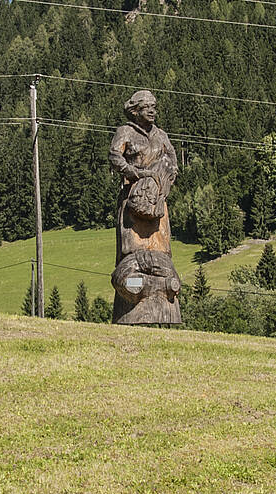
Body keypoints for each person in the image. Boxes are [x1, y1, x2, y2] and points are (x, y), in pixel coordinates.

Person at [109, 90, 182, 324]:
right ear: (135, 110)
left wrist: (164, 181)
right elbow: (114, 156)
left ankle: (166, 300)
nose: (152, 110)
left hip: (158, 203)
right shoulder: (126, 131)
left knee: (162, 252)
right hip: (133, 202)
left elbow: (173, 162)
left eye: (154, 106)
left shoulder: (161, 135)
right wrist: (136, 174)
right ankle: (133, 301)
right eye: (147, 106)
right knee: (132, 253)